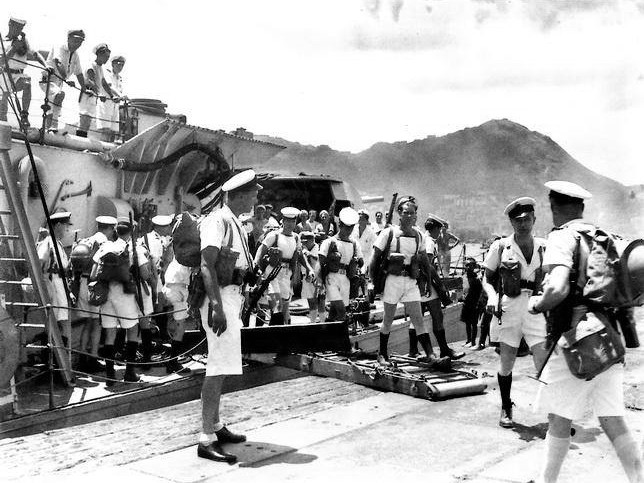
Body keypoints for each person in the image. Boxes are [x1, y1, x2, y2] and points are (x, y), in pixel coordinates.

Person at [527, 181, 643, 483]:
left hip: (576, 341)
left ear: (554, 208)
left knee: (559, 417)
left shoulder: (562, 237)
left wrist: (537, 304)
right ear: (581, 208)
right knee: (613, 418)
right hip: (609, 337)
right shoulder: (605, 237)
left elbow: (557, 287)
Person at [198, 169, 259, 463]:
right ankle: (205, 437)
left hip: (231, 296)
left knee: (222, 364)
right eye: (253, 193)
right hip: (220, 299)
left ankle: (217, 426)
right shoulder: (217, 220)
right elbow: (206, 265)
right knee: (217, 366)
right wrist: (217, 306)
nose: (257, 197)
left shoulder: (234, 221)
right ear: (239, 195)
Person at [481, 197, 548, 428]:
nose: (523, 224)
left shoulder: (544, 247)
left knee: (544, 362)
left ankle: (554, 415)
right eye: (518, 220)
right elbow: (487, 278)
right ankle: (506, 407)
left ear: (534, 219)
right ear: (511, 222)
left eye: (527, 219)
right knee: (507, 362)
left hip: (536, 308)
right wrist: (491, 296)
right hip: (509, 307)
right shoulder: (500, 247)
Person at [371, 198, 448, 367]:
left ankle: (430, 354)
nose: (408, 215)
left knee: (418, 319)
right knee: (388, 318)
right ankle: (382, 354)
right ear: (399, 213)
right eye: (405, 212)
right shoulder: (388, 233)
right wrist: (373, 284)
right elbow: (375, 259)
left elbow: (424, 261)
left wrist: (427, 280)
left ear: (415, 215)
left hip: (411, 280)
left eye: (412, 213)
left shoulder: (418, 236)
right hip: (393, 280)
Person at [93, 217, 152, 385]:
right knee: (132, 331)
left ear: (116, 231)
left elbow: (93, 273)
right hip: (126, 293)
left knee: (110, 334)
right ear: (132, 232)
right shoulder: (134, 249)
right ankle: (129, 372)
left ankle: (110, 376)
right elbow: (145, 274)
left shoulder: (106, 247)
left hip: (107, 294)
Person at [419, 215, 465, 360]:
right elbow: (428, 266)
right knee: (437, 317)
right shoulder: (430, 242)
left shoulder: (421, 238)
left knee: (417, 319)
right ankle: (444, 350)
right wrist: (438, 284)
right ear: (437, 229)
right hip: (428, 284)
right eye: (439, 229)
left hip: (420, 285)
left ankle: (414, 350)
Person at [75, 215, 116, 373]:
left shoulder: (88, 240)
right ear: (110, 228)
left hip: (84, 284)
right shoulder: (103, 242)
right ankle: (93, 359)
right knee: (97, 324)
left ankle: (82, 357)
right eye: (112, 229)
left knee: (88, 323)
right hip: (96, 286)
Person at [254, 207, 302, 325]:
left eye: (293, 221)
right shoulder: (274, 235)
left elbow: (298, 256)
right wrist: (256, 267)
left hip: (286, 274)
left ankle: (276, 336)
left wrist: (305, 271)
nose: (290, 224)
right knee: (276, 307)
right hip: (272, 273)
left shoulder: (296, 237)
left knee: (284, 310)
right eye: (288, 221)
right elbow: (261, 249)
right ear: (283, 221)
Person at [0, 17, 47, 127]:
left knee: (27, 84)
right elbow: (1, 61)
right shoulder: (2, 41)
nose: (18, 30)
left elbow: (35, 54)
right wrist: (13, 49)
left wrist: (46, 65)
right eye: (16, 27)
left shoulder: (24, 42)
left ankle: (24, 115)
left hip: (19, 75)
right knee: (2, 109)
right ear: (10, 24)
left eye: (21, 28)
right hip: (4, 76)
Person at [318, 207, 363, 322]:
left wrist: (356, 262)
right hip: (331, 278)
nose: (348, 229)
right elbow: (320, 262)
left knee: (334, 313)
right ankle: (344, 337)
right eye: (346, 226)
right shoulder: (329, 242)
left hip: (346, 279)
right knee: (342, 312)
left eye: (351, 227)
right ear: (340, 224)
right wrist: (319, 282)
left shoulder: (354, 244)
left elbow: (361, 262)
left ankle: (327, 333)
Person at [39, 29, 86, 131]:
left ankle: (47, 130)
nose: (78, 44)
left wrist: (84, 88)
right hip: (47, 80)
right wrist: (65, 79)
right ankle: (53, 126)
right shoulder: (60, 47)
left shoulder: (75, 55)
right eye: (76, 41)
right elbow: (58, 62)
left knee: (52, 105)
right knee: (59, 95)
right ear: (68, 39)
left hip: (59, 82)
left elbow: (79, 73)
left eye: (80, 42)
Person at [37, 212, 74, 340]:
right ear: (58, 225)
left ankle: (59, 353)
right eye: (65, 225)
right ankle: (51, 353)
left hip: (60, 285)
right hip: (53, 284)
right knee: (53, 319)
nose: (67, 229)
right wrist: (45, 280)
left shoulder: (57, 243)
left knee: (61, 319)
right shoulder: (48, 242)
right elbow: (41, 259)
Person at [77, 43, 118, 138]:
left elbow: (104, 83)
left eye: (108, 57)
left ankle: (82, 140)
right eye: (106, 56)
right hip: (87, 94)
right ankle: (80, 139)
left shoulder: (101, 68)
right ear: (99, 54)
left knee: (88, 120)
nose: (107, 59)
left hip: (94, 96)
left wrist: (112, 96)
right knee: (84, 118)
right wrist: (99, 94)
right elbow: (90, 81)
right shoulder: (92, 65)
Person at [162, 255, 192, 374]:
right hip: (178, 289)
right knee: (181, 326)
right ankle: (173, 361)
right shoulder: (187, 255)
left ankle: (172, 359)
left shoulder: (178, 255)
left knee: (175, 324)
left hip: (169, 287)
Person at [98, 54, 126, 142]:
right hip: (106, 102)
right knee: (105, 128)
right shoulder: (107, 73)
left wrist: (121, 97)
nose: (120, 66)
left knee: (113, 130)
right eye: (118, 64)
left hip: (115, 105)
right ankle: (102, 149)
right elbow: (109, 86)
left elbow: (120, 90)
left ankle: (110, 151)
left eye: (122, 65)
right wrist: (121, 96)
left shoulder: (120, 78)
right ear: (113, 64)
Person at [299, 231, 323, 323]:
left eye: (306, 242)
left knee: (320, 301)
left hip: (318, 277)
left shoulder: (319, 248)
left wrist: (309, 254)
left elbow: (318, 259)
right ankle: (313, 321)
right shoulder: (303, 249)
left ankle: (322, 321)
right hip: (306, 277)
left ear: (312, 240)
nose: (304, 244)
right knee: (310, 301)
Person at [460, 258, 482, 348]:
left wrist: (478, 304)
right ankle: (468, 340)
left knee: (473, 323)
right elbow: (464, 290)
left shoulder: (476, 279)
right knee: (467, 322)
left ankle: (473, 342)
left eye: (471, 265)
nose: (468, 267)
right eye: (467, 265)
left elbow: (480, 292)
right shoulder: (465, 277)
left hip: (474, 303)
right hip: (467, 303)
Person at [353, 209, 377, 273]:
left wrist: (371, 262)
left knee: (362, 275)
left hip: (365, 258)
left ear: (366, 221)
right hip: (354, 257)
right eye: (359, 219)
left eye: (362, 219)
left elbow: (375, 246)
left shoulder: (371, 232)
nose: (360, 221)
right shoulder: (353, 229)